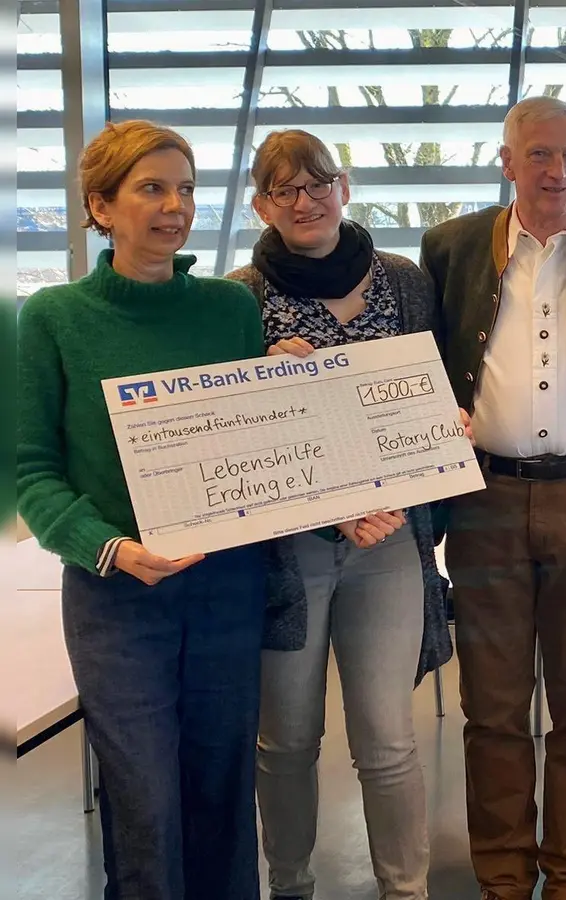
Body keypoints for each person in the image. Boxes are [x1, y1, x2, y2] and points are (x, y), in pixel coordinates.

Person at [17, 120, 269, 899]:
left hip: (228, 588)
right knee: (144, 804)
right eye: (151, 189)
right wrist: (112, 549)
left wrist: (288, 388)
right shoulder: (54, 318)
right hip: (117, 598)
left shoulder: (230, 310)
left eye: (186, 189)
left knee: (224, 794)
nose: (175, 207)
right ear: (100, 205)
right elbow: (33, 473)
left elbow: (259, 450)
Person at [420, 95, 566, 900]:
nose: (558, 172)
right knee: (490, 705)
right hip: (484, 500)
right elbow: (419, 359)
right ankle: (501, 874)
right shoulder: (450, 247)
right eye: (541, 156)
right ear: (508, 160)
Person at [226, 128, 457, 900]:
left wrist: (431, 449)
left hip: (389, 540)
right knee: (287, 738)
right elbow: (236, 442)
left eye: (317, 183)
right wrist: (262, 379)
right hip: (286, 551)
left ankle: (406, 889)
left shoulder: (406, 282)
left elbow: (435, 397)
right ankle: (288, 885)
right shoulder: (241, 296)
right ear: (261, 203)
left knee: (388, 740)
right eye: (284, 189)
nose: (304, 201)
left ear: (345, 186)